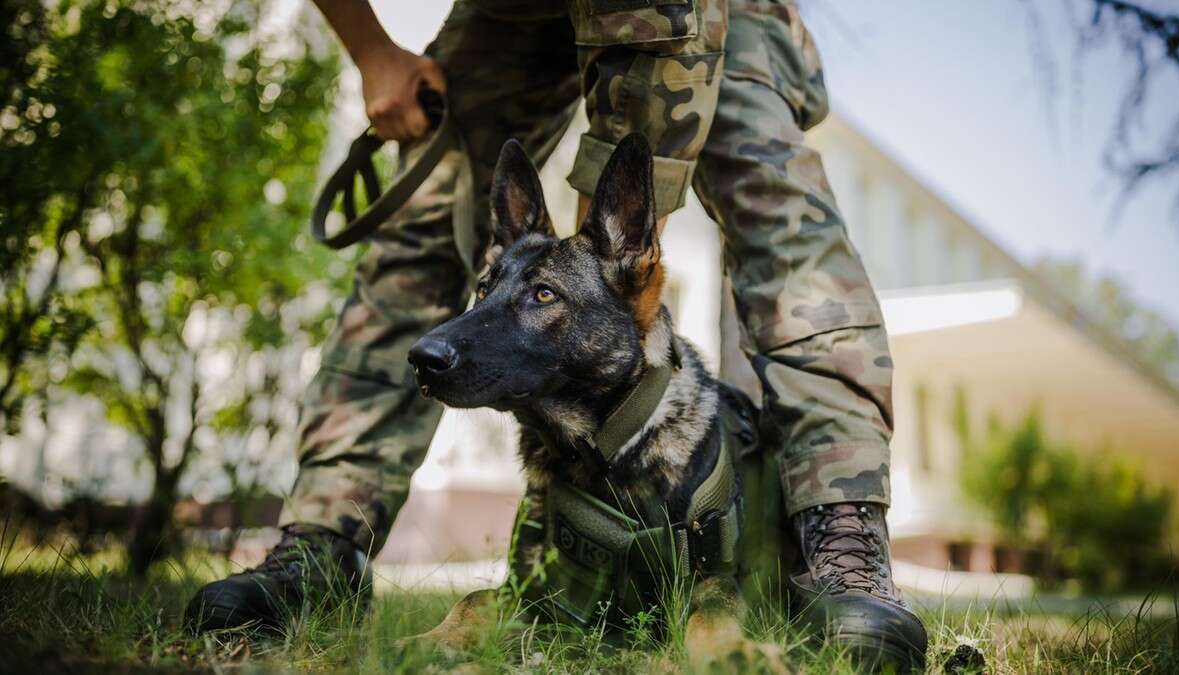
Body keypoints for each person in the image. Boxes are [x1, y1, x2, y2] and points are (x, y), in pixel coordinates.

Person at [187, 0, 927, 667]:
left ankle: (841, 540)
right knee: (420, 235)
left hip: (678, 11)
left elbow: (626, 246)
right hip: (512, 10)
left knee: (782, 226)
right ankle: (323, 543)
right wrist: (371, 48)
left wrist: (605, 278)